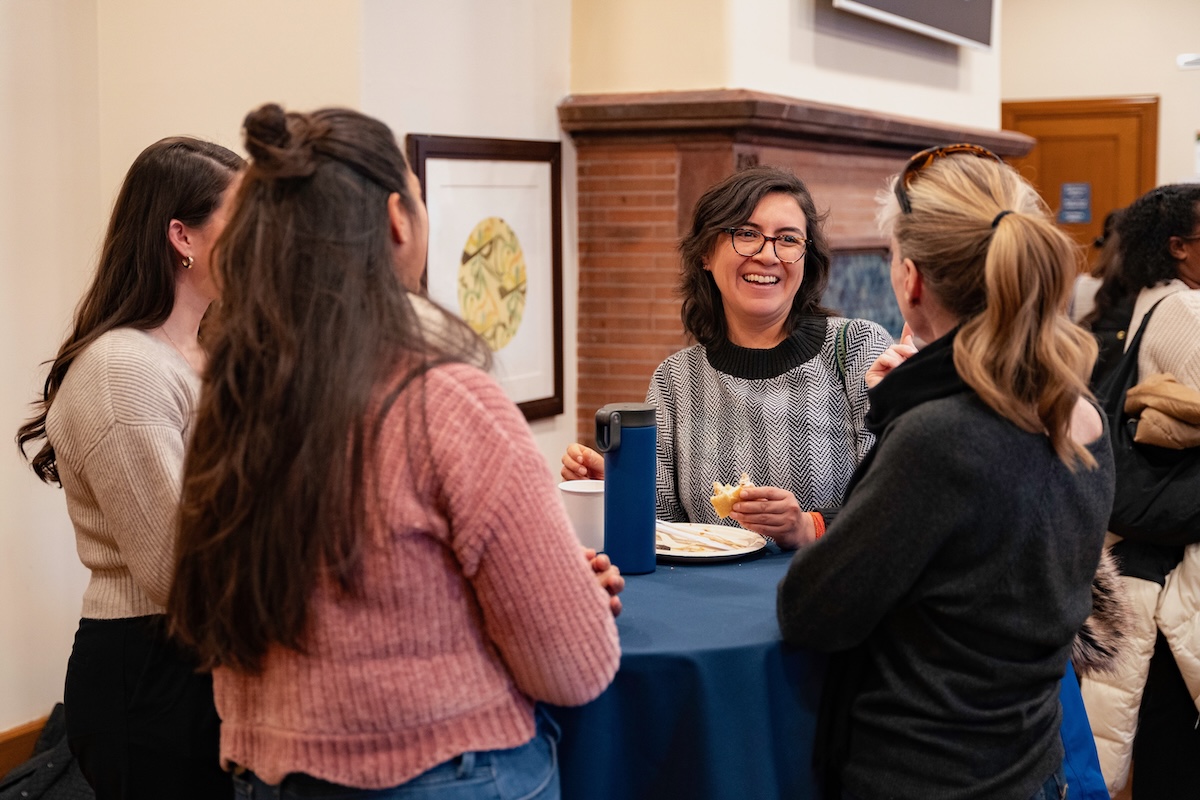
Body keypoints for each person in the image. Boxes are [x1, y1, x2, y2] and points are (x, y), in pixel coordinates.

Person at [166, 104, 622, 800]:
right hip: (448, 776)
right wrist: (568, 601)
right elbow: (574, 668)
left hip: (266, 775)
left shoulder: (232, 399)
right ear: (397, 220)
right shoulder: (445, 402)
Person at [777, 144, 1114, 800]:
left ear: (913, 280)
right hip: (1031, 763)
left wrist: (905, 415)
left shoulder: (943, 436)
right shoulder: (1073, 404)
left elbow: (813, 609)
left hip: (930, 775)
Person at [14, 136, 244, 798]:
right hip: (150, 677)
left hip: (206, 663)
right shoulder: (124, 370)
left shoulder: (214, 351)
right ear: (182, 236)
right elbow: (176, 568)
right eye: (244, 221)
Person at [561, 166, 891, 548]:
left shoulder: (856, 349)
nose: (768, 256)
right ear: (705, 253)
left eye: (787, 239)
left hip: (829, 590)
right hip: (709, 599)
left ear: (806, 256)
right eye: (747, 234)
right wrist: (617, 487)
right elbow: (665, 528)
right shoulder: (676, 379)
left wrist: (809, 527)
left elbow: (898, 498)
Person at [1079, 183, 1200, 797]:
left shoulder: (1152, 301)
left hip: (1148, 546)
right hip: (1169, 553)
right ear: (1179, 247)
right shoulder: (1182, 312)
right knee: (1172, 732)